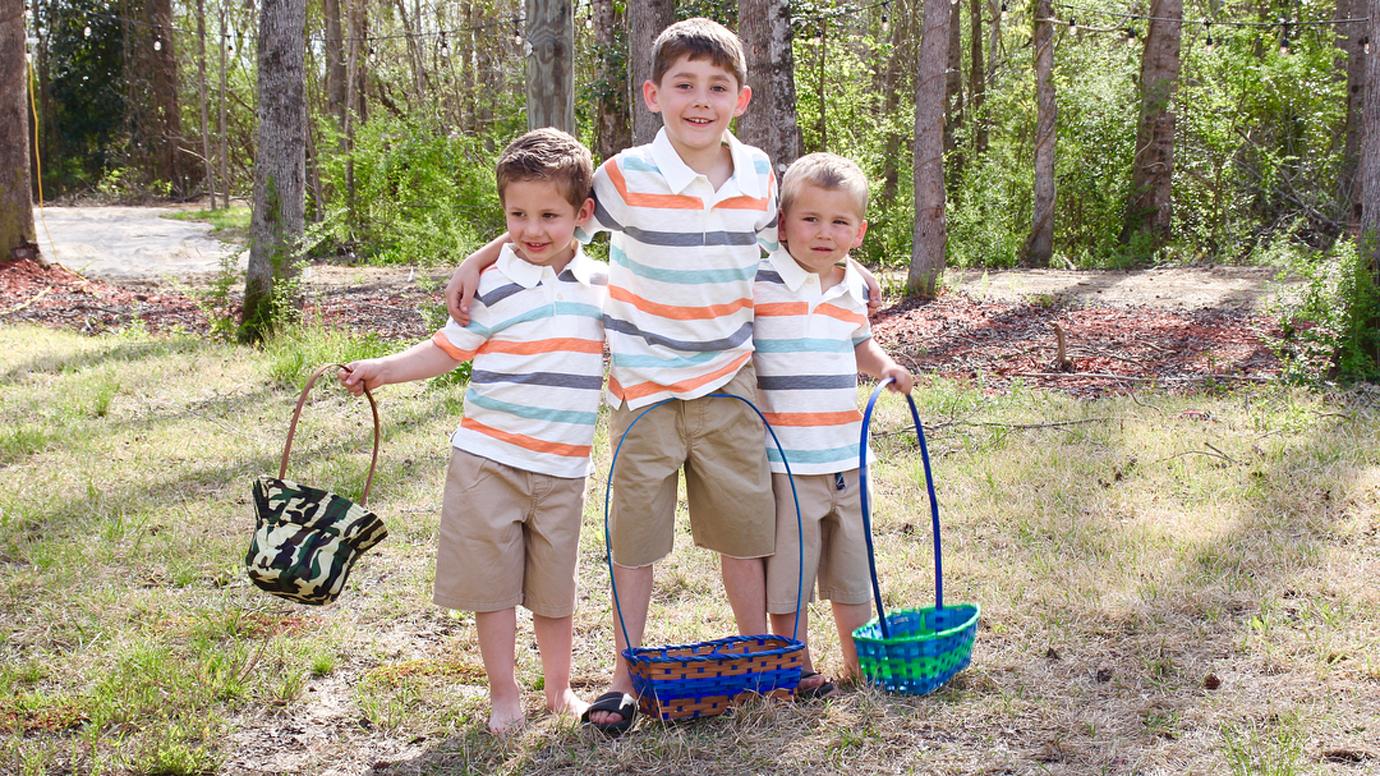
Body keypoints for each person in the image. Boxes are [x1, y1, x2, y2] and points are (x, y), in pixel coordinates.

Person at [443, 18, 881, 736]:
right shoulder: (624, 177)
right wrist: (482, 256)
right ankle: (623, 678)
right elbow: (556, 223)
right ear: (655, 94)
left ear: (741, 98)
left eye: (717, 87)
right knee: (636, 543)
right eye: (684, 85)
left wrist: (848, 266)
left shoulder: (760, 175)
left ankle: (760, 663)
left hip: (731, 384)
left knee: (745, 536)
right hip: (644, 391)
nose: (699, 100)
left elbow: (802, 235)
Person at [337, 128, 604, 735]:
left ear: (581, 215)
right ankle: (504, 692)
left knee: (554, 591)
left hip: (565, 468)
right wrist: (383, 370)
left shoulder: (602, 288)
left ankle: (559, 690)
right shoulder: (493, 284)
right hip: (488, 460)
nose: (532, 229)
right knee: (493, 588)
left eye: (549, 215)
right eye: (517, 214)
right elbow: (446, 351)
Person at [755, 153, 913, 698]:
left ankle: (858, 660)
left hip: (847, 457)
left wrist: (886, 366)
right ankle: (794, 666)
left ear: (859, 231)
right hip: (787, 461)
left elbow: (860, 346)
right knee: (791, 573)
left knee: (852, 568)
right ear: (782, 225)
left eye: (840, 222)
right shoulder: (761, 282)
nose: (825, 233)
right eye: (811, 219)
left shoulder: (850, 291)